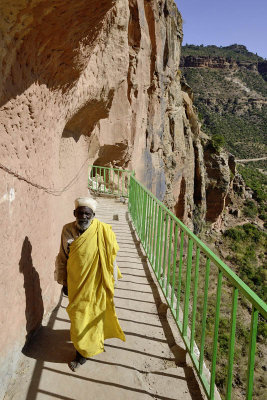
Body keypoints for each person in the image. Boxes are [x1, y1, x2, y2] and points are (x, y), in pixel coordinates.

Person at [54, 197, 125, 371]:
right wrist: (64, 281)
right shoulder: (67, 230)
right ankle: (84, 344)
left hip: (97, 283)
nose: (84, 217)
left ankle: (82, 353)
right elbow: (63, 257)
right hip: (75, 283)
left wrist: (111, 278)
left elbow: (112, 253)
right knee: (78, 318)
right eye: (80, 213)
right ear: (74, 213)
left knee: (94, 314)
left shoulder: (103, 230)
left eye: (87, 214)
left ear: (93, 215)